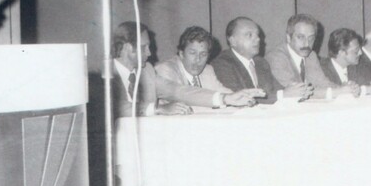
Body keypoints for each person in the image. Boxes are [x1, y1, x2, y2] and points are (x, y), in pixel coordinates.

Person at [112, 21, 261, 117]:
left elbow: (178, 91)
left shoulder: (147, 71)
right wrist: (157, 109)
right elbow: (116, 107)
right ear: (127, 48)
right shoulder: (104, 74)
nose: (149, 53)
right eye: (144, 47)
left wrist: (226, 98)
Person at [212, 17, 312, 104]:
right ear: (233, 41)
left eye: (257, 35)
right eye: (249, 35)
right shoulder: (222, 64)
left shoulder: (260, 62)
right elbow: (239, 98)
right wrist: (283, 95)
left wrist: (297, 91)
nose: (258, 39)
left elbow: (276, 90)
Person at [265, 14, 359, 98]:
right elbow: (298, 91)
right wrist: (337, 92)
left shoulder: (311, 55)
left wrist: (346, 89)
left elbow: (322, 82)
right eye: (301, 37)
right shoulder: (277, 57)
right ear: (288, 38)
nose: (307, 44)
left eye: (311, 38)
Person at [154, 26, 232, 95]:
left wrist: (236, 97)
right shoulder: (166, 70)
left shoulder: (207, 70)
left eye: (203, 54)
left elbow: (224, 94)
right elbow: (181, 100)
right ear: (181, 54)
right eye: (192, 53)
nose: (198, 59)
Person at [320, 28, 371, 96]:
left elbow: (369, 84)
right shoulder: (321, 69)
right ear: (341, 53)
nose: (360, 53)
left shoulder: (356, 67)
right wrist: (368, 90)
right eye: (356, 51)